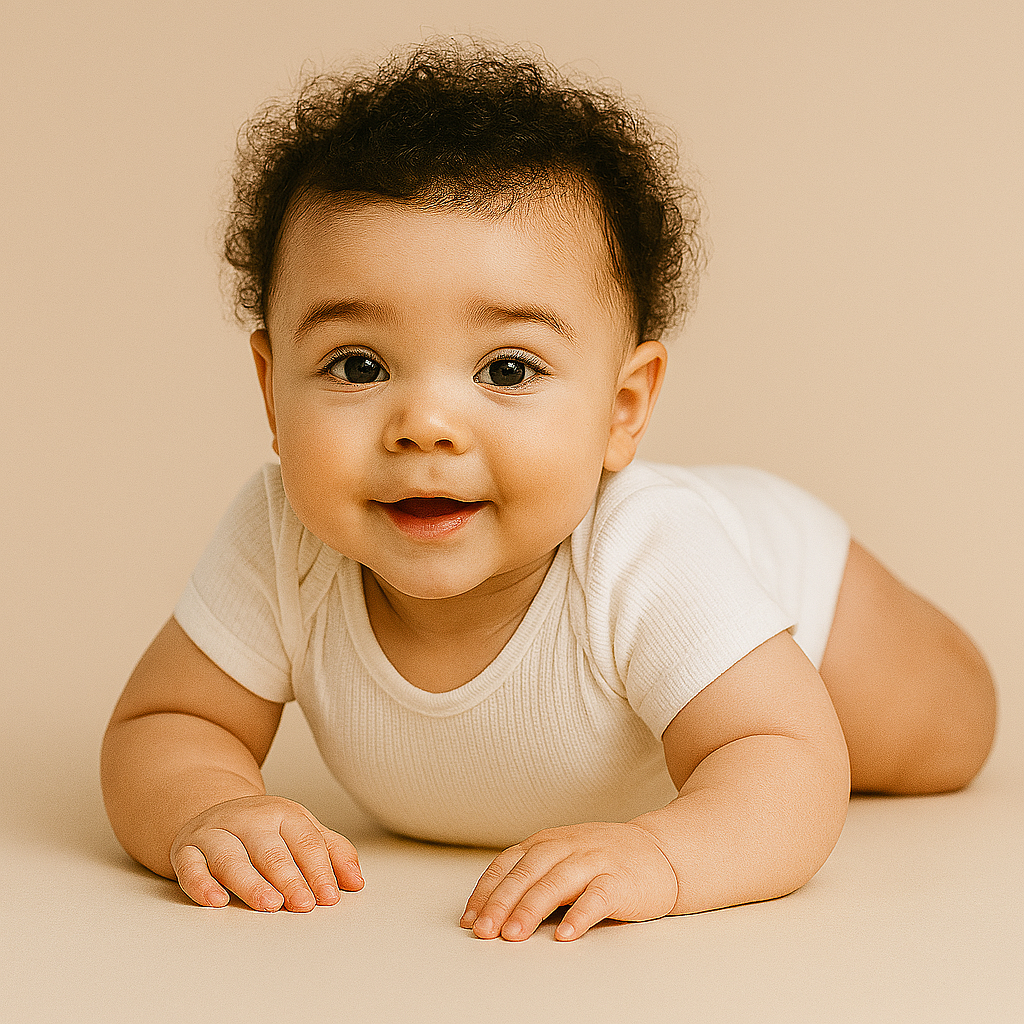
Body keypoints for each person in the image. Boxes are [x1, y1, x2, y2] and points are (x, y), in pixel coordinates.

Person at [100, 41, 996, 942]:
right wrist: (204, 807)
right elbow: (167, 721)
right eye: (359, 364)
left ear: (622, 407)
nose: (425, 425)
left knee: (946, 736)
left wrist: (666, 853)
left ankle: (772, 667)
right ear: (270, 388)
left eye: (507, 368)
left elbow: (790, 764)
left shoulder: (649, 552)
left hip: (790, 577)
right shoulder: (280, 539)